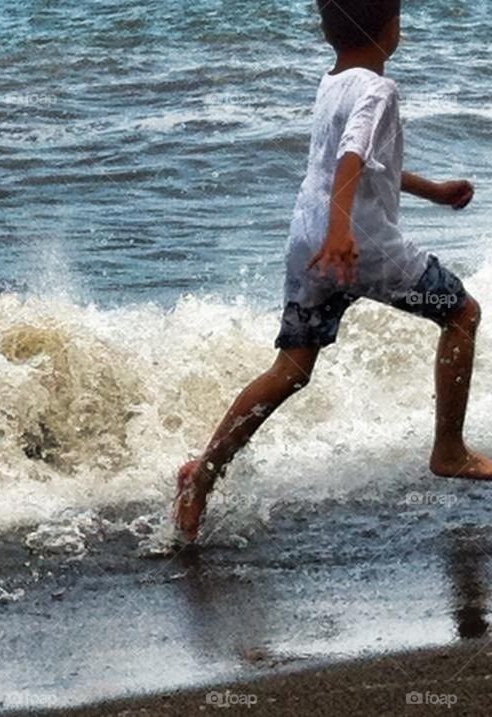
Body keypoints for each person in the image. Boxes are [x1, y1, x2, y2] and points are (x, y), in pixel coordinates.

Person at [175, 0, 491, 542]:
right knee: (461, 314)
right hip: (360, 245)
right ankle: (449, 450)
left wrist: (434, 191)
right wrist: (343, 232)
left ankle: (203, 473)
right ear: (390, 30)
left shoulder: (333, 84)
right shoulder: (379, 89)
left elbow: (360, 164)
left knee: (290, 370)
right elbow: (350, 157)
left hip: (308, 242)